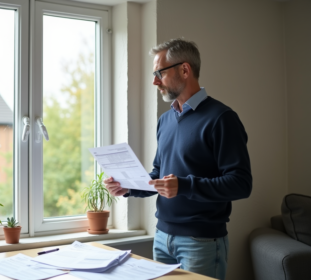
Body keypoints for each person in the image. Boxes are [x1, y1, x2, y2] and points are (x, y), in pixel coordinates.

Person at [104, 38, 252, 280]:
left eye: (160, 72)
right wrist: (128, 186)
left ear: (185, 70)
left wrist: (185, 185)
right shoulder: (166, 120)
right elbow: (159, 176)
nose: (155, 81)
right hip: (161, 237)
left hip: (201, 241)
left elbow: (241, 183)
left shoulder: (222, 118)